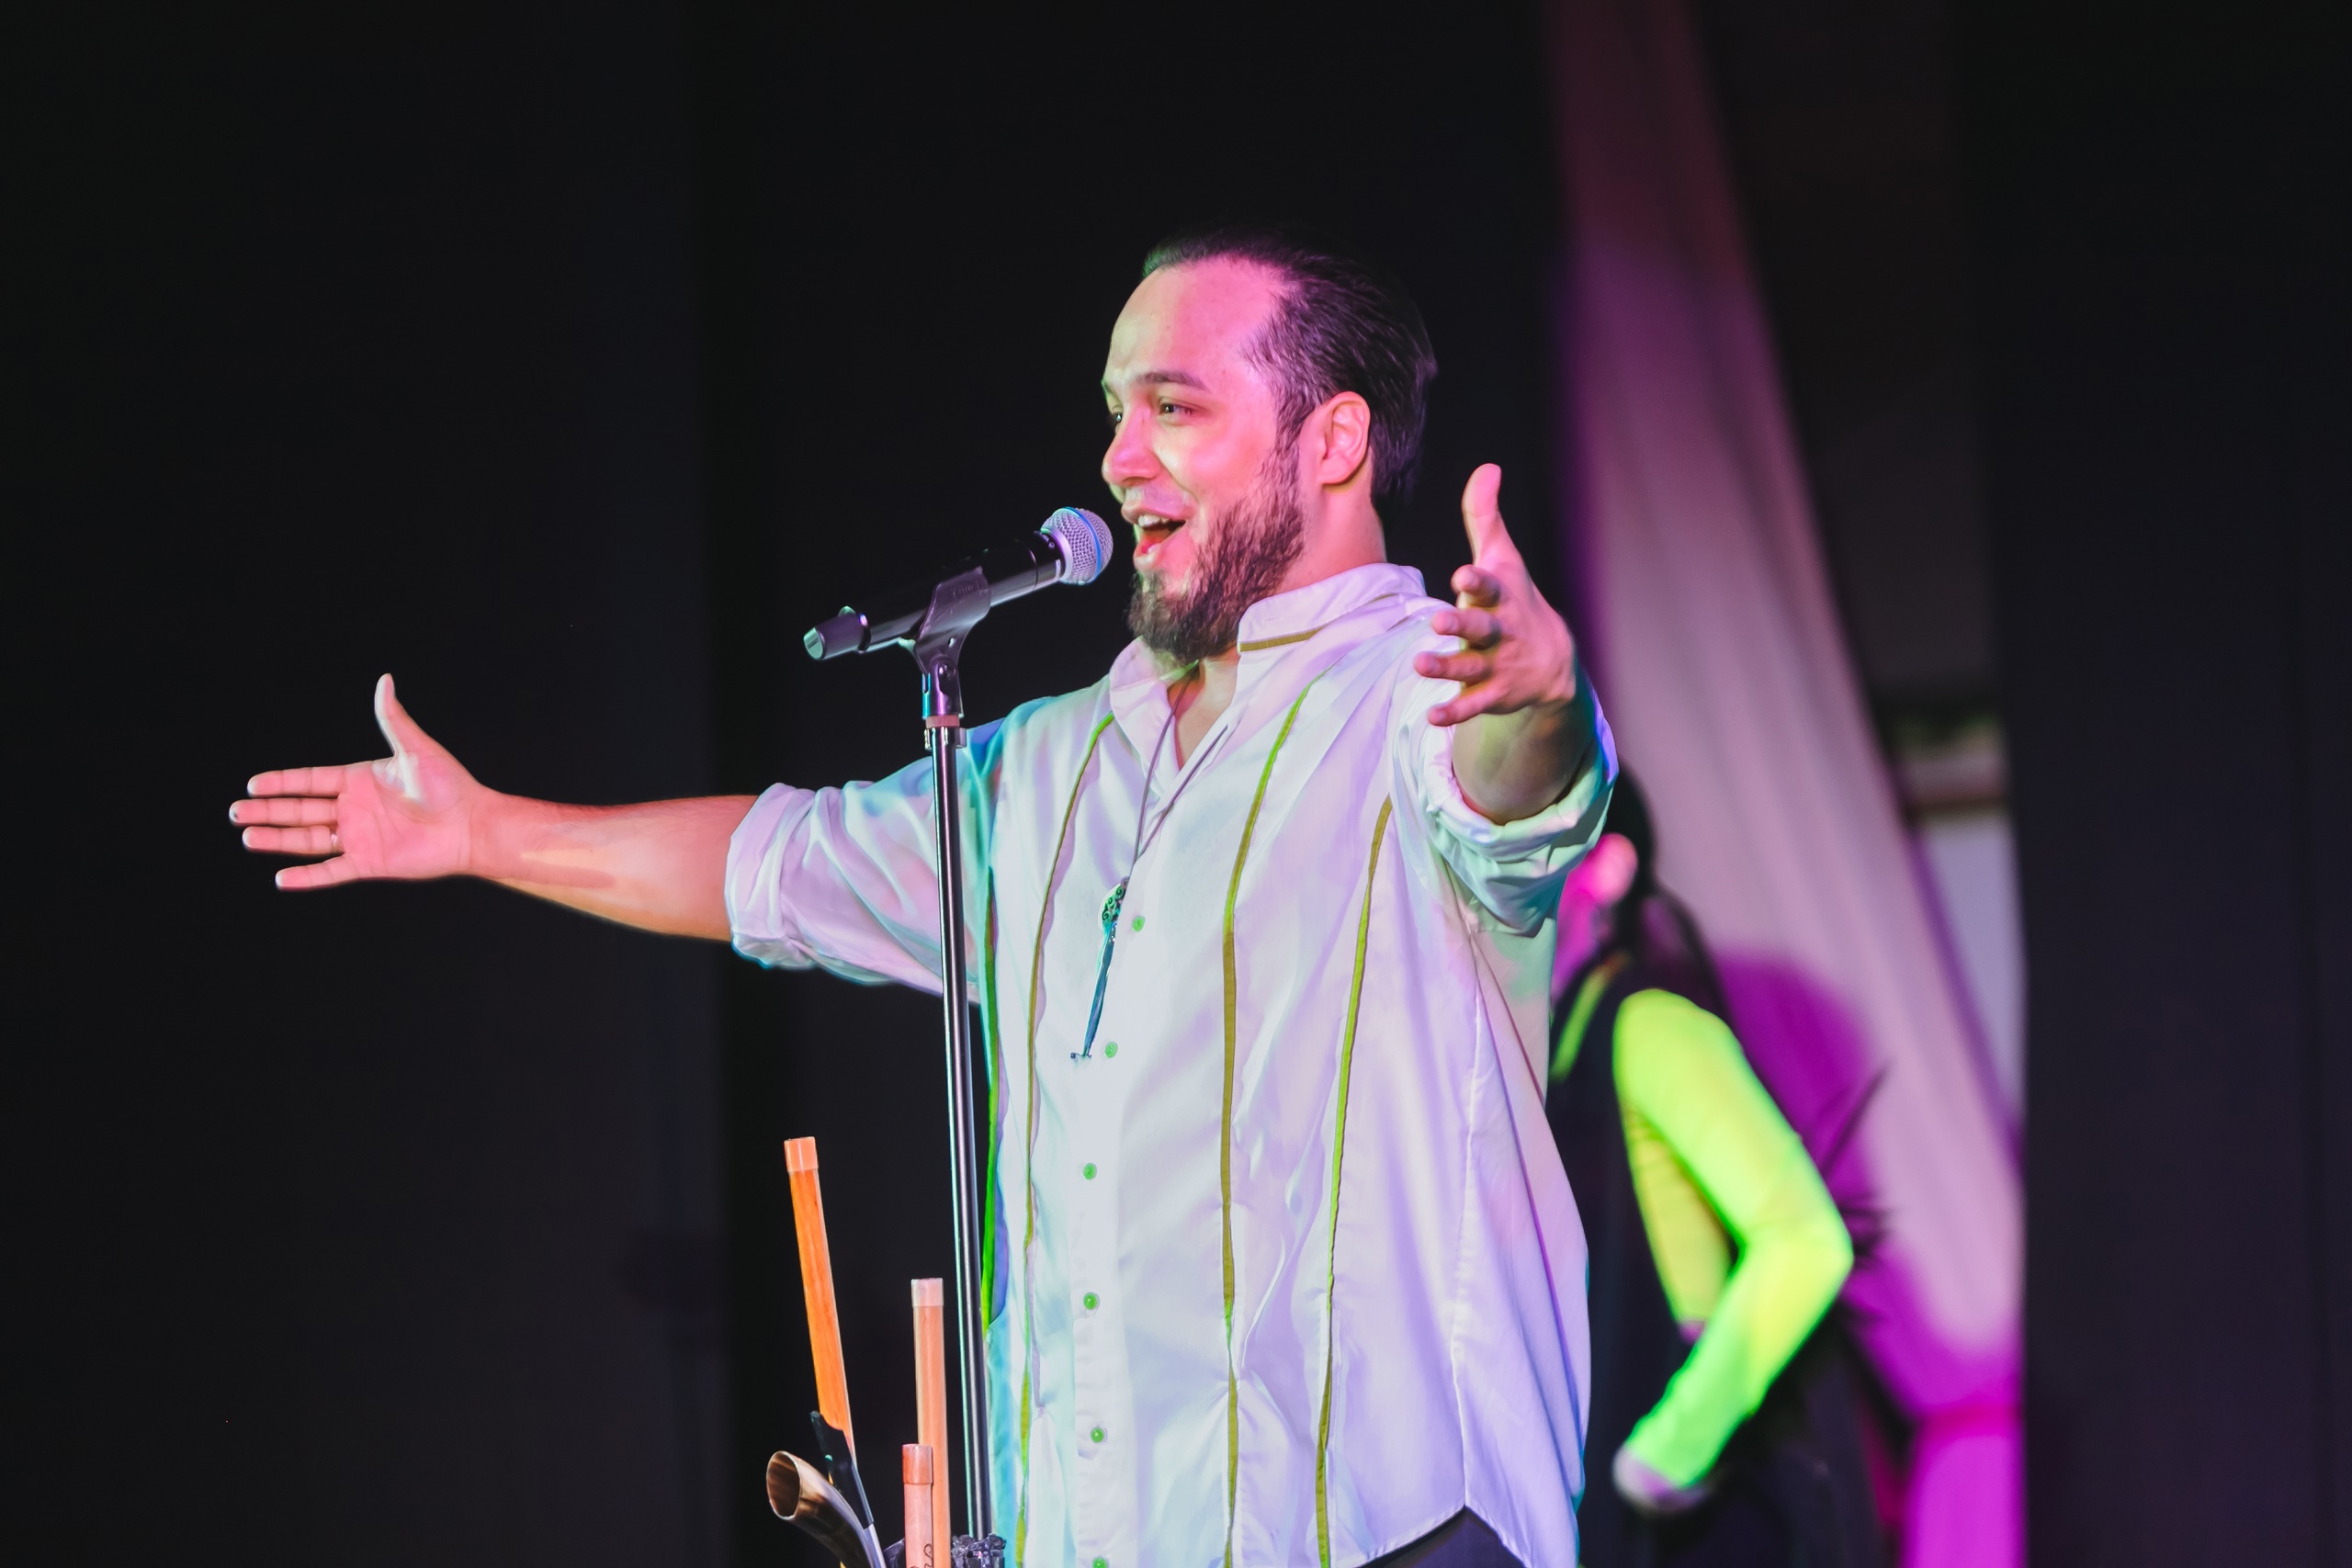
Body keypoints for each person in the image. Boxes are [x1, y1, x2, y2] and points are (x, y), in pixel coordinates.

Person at [232, 222, 1615, 1568]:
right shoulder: (1054, 761)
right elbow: (778, 865)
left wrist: (1540, 699)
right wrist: (486, 831)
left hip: (1387, 1529)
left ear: (1334, 440)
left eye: (1174, 406)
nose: (1118, 457)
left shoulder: (1418, 693)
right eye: (1115, 411)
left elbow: (1515, 787)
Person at [1547, 773, 1883, 1567]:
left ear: (1606, 867)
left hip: (1693, 1519)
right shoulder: (1559, 1039)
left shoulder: (1649, 1022)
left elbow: (1805, 1240)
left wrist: (1667, 1452)